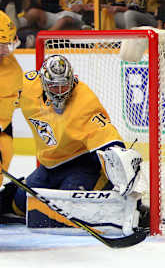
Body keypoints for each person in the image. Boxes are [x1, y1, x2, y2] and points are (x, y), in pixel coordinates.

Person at [0, 54, 148, 233]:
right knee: (19, 204)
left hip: (82, 163)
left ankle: (114, 194)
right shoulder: (28, 87)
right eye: (54, 86)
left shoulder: (84, 101)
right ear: (43, 82)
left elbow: (108, 142)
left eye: (65, 85)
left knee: (69, 205)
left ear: (73, 81)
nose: (60, 91)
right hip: (50, 166)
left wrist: (122, 172)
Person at [0, 11, 22, 189]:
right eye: (2, 45)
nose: (6, 50)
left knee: (6, 153)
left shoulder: (12, 69)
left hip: (2, 126)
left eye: (9, 44)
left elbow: (14, 101)